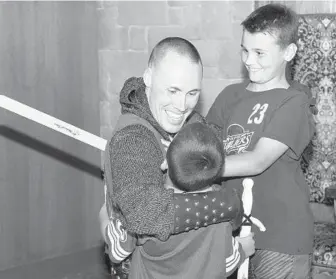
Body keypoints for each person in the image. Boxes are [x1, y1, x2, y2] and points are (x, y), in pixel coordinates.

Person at [99, 37, 244, 278]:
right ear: (148, 78)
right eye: (173, 90)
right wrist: (227, 204)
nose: (181, 105)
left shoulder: (193, 122)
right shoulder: (133, 137)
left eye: (192, 93)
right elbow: (141, 213)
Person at [206, 4, 315, 279]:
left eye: (259, 53)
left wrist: (196, 167)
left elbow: (257, 160)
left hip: (280, 237)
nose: (249, 60)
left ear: (288, 52)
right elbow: (203, 144)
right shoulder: (229, 96)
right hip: (229, 231)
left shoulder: (295, 103)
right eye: (244, 49)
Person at [106, 121, 255, 278]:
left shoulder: (150, 211)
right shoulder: (222, 213)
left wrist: (105, 215)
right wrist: (243, 249)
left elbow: (117, 252)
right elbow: (225, 263)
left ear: (164, 164)